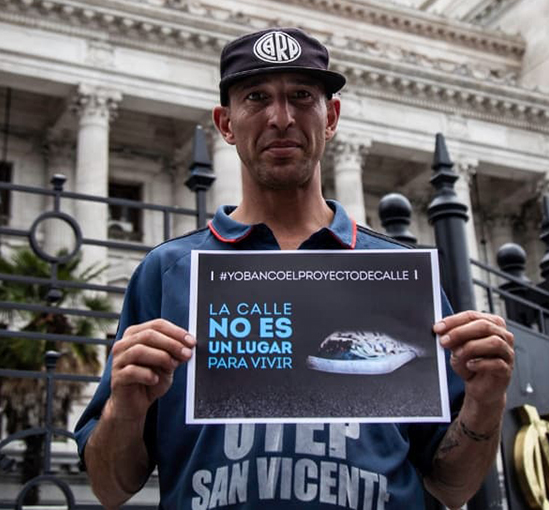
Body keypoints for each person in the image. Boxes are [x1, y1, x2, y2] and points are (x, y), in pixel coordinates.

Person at [75, 27, 515, 509]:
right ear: (225, 124)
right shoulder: (169, 271)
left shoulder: (395, 273)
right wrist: (127, 404)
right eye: (257, 97)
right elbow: (111, 488)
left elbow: (452, 487)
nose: (280, 118)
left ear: (332, 117)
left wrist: (486, 400)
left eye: (302, 96)